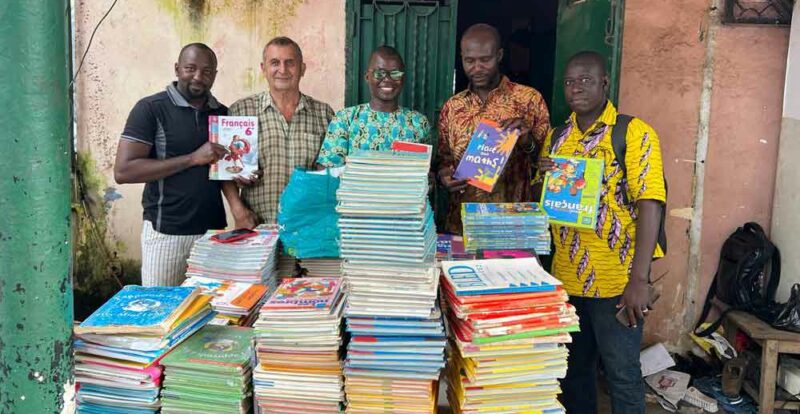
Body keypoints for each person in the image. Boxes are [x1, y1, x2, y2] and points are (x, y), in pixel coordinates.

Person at [537, 51, 666, 414]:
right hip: (568, 278)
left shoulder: (633, 131)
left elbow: (650, 202)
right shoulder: (557, 137)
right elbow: (547, 203)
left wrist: (639, 279)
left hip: (618, 280)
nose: (576, 88)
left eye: (585, 80)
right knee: (573, 373)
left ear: (605, 83)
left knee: (621, 374)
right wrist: (544, 172)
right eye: (569, 82)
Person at [114, 43, 233, 287]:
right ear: (177, 69)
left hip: (212, 233)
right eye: (190, 68)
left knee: (208, 313)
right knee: (161, 314)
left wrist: (241, 172)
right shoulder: (150, 109)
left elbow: (223, 171)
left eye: (207, 71)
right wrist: (192, 158)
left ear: (215, 75)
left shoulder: (222, 113)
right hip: (166, 232)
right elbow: (123, 171)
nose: (198, 77)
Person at [437, 23, 550, 234]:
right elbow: (445, 160)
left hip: (513, 224)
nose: (477, 68)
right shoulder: (452, 108)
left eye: (485, 60)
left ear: (499, 55)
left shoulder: (529, 100)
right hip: (462, 224)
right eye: (469, 61)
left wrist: (527, 142)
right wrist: (445, 177)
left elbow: (547, 165)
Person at [222, 36, 334, 226]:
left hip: (308, 227)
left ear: (302, 69)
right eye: (275, 63)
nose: (282, 70)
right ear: (263, 68)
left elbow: (330, 172)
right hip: (257, 225)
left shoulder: (324, 113)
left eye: (290, 63)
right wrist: (238, 211)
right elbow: (224, 171)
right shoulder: (241, 111)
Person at [316, 46, 429, 168]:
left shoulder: (419, 122)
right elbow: (327, 170)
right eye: (379, 73)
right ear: (367, 77)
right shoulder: (345, 119)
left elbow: (427, 171)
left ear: (403, 79)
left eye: (395, 74)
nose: (387, 79)